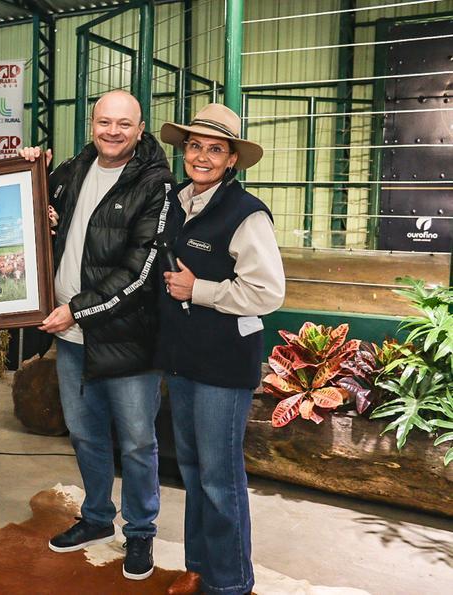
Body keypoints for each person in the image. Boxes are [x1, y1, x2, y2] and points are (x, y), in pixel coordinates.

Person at [21, 90, 174, 581]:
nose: (112, 131)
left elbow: (140, 270)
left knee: (135, 442)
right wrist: (31, 174)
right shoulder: (73, 168)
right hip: (71, 340)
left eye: (123, 124)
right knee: (85, 434)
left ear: (141, 127)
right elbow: (37, 217)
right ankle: (95, 519)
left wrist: (76, 312)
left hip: (126, 338)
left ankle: (141, 532)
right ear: (91, 124)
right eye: (104, 121)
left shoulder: (157, 184)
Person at [156, 104, 285, 595]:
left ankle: (230, 583)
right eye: (195, 146)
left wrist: (201, 290)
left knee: (219, 476)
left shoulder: (246, 213)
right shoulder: (176, 202)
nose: (202, 156)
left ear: (232, 160)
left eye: (215, 149)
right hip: (184, 358)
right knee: (191, 470)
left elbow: (268, 294)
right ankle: (199, 566)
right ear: (183, 150)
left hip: (223, 366)